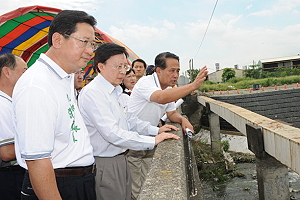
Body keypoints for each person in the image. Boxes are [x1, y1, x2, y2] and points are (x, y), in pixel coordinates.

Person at [12, 10, 98, 200]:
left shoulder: (64, 77)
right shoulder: (37, 85)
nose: (90, 51)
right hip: (57, 185)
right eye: (84, 42)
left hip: (76, 181)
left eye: (92, 44)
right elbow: (37, 160)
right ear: (58, 40)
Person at [78, 43, 180, 200]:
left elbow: (131, 121)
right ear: (101, 66)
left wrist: (156, 131)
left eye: (124, 66)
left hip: (121, 158)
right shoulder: (94, 93)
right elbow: (112, 133)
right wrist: (152, 141)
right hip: (106, 162)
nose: (123, 72)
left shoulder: (117, 92)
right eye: (118, 66)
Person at [127, 52, 208, 199]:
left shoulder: (169, 90)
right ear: (159, 70)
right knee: (135, 189)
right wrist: (193, 85)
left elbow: (171, 113)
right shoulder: (146, 83)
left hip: (150, 139)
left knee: (147, 183)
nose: (175, 75)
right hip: (132, 141)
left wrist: (183, 120)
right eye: (171, 70)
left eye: (177, 71)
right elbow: (161, 98)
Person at [0, 53, 27, 200]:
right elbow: (6, 152)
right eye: (24, 71)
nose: (27, 76)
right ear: (7, 72)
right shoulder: (2, 105)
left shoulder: (10, 102)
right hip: (10, 175)